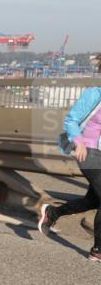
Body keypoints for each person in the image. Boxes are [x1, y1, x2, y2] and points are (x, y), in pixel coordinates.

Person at [39, 58, 101, 262]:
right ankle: (98, 250)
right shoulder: (94, 94)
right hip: (88, 151)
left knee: (92, 200)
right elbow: (71, 119)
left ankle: (53, 213)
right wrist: (79, 142)